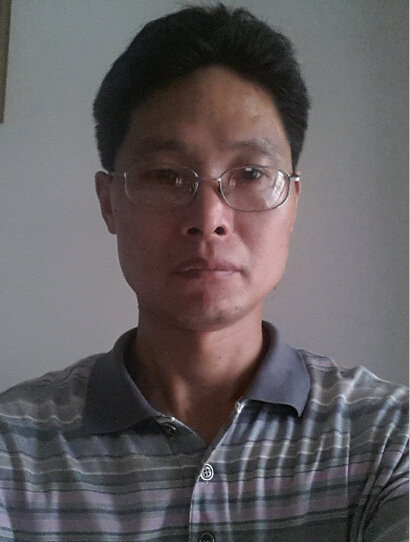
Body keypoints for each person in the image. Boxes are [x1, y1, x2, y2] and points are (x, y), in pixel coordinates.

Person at [0, 4, 407, 541]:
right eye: (165, 175)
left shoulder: (387, 438)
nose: (209, 218)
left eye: (251, 173)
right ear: (108, 202)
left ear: (293, 204)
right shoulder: (13, 448)